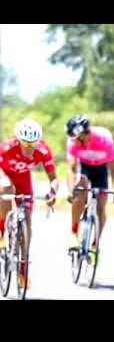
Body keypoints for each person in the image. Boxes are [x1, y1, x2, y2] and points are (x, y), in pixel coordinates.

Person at [0, 119, 59, 288]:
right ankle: (1, 231)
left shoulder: (43, 150)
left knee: (26, 219)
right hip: (6, 175)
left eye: (32, 144)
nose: (28, 148)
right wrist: (3, 178)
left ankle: (23, 267)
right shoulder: (7, 147)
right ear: (18, 140)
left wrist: (53, 192)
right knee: (6, 189)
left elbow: (54, 178)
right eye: (25, 144)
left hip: (24, 180)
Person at [65, 115, 114, 256]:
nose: (75, 142)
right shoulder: (73, 142)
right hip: (85, 169)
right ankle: (73, 233)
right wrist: (71, 190)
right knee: (79, 192)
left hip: (101, 170)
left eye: (78, 139)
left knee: (100, 207)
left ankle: (95, 243)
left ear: (86, 134)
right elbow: (71, 169)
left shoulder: (105, 140)